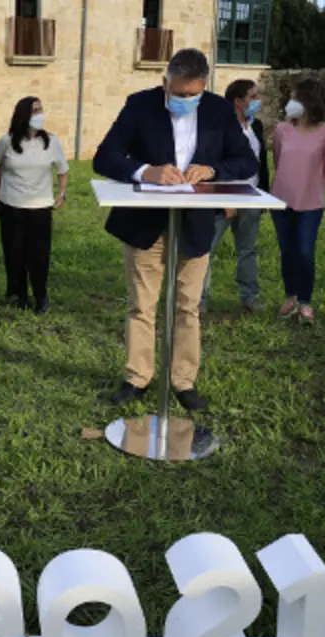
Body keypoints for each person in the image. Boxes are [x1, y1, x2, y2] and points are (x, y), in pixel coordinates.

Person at [92, 49, 257, 411]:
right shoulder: (139, 105)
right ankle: (138, 377)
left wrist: (212, 170)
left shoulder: (217, 111)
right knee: (142, 304)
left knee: (188, 306)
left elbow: (247, 159)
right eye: (179, 93)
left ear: (204, 87)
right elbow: (104, 156)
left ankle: (183, 381)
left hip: (195, 223)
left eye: (192, 95)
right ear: (165, 82)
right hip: (145, 223)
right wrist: (144, 171)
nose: (185, 101)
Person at [270, 78, 325, 324]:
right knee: (287, 250)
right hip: (281, 199)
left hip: (310, 201)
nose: (290, 103)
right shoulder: (282, 130)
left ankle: (305, 301)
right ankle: (289, 296)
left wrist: (313, 186)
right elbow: (278, 160)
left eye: (295, 98)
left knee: (304, 251)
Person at [0, 96, 69, 313]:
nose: (39, 115)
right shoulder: (7, 141)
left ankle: (41, 295)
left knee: (39, 254)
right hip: (11, 205)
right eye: (35, 110)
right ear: (24, 115)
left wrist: (61, 194)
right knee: (15, 253)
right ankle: (20, 295)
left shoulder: (52, 141)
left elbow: (63, 170)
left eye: (41, 109)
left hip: (40, 207)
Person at [200, 78, 270, 315]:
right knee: (206, 249)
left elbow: (261, 163)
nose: (257, 101)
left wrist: (263, 193)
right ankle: (200, 299)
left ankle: (249, 296)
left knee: (247, 249)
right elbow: (215, 163)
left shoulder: (256, 126)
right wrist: (225, 198)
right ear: (238, 101)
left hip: (251, 196)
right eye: (253, 96)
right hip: (223, 196)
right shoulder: (219, 128)